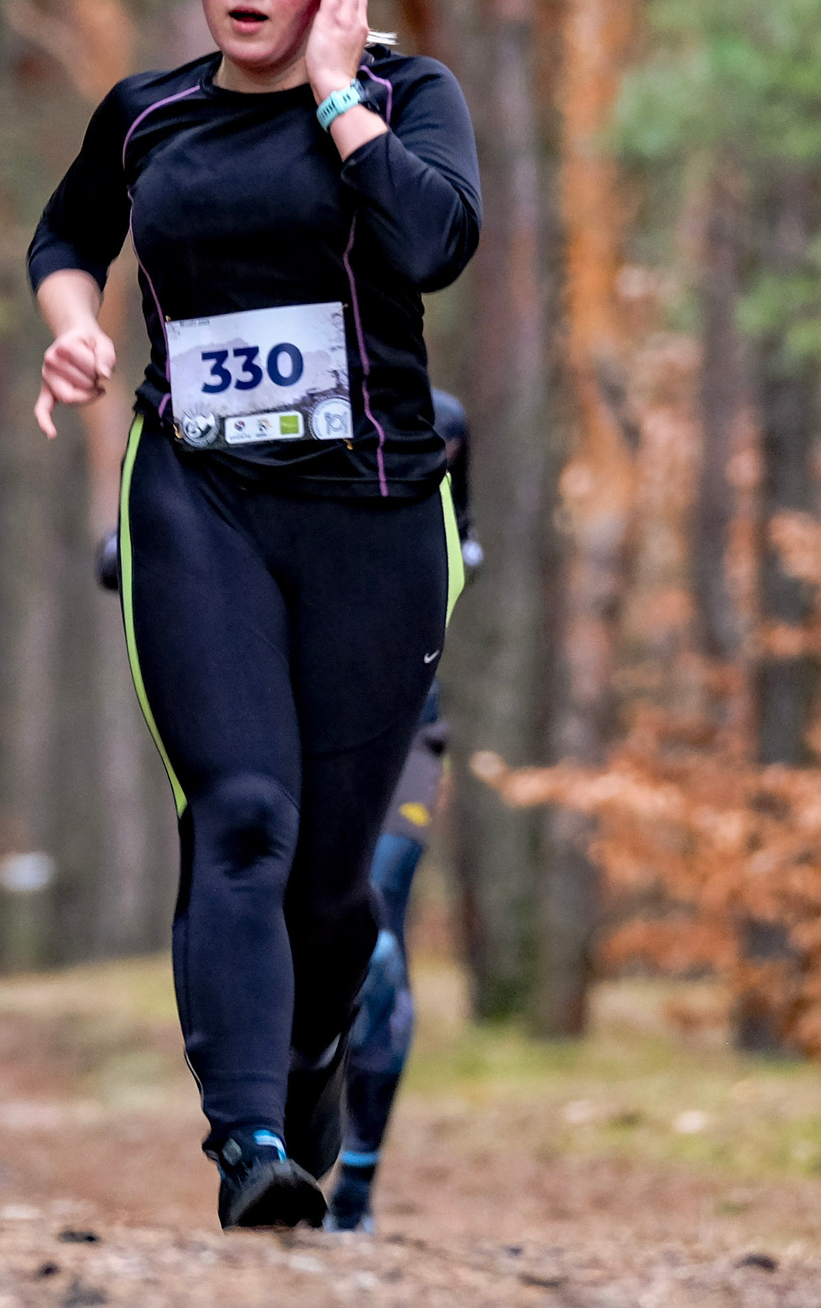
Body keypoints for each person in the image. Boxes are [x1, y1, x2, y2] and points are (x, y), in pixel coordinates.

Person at [28, 0, 492, 1231]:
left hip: (373, 515)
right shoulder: (147, 113)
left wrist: (342, 99)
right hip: (200, 497)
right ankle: (243, 1146)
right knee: (239, 819)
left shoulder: (409, 100)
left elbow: (439, 244)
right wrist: (73, 329)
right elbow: (68, 237)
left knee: (336, 890)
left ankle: (306, 1099)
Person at [325, 387, 474, 1235]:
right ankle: (279, 1144)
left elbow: (469, 533)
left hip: (407, 733)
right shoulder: (284, 400)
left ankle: (358, 1185)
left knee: (376, 938)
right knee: (299, 936)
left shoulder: (442, 422)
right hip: (296, 736)